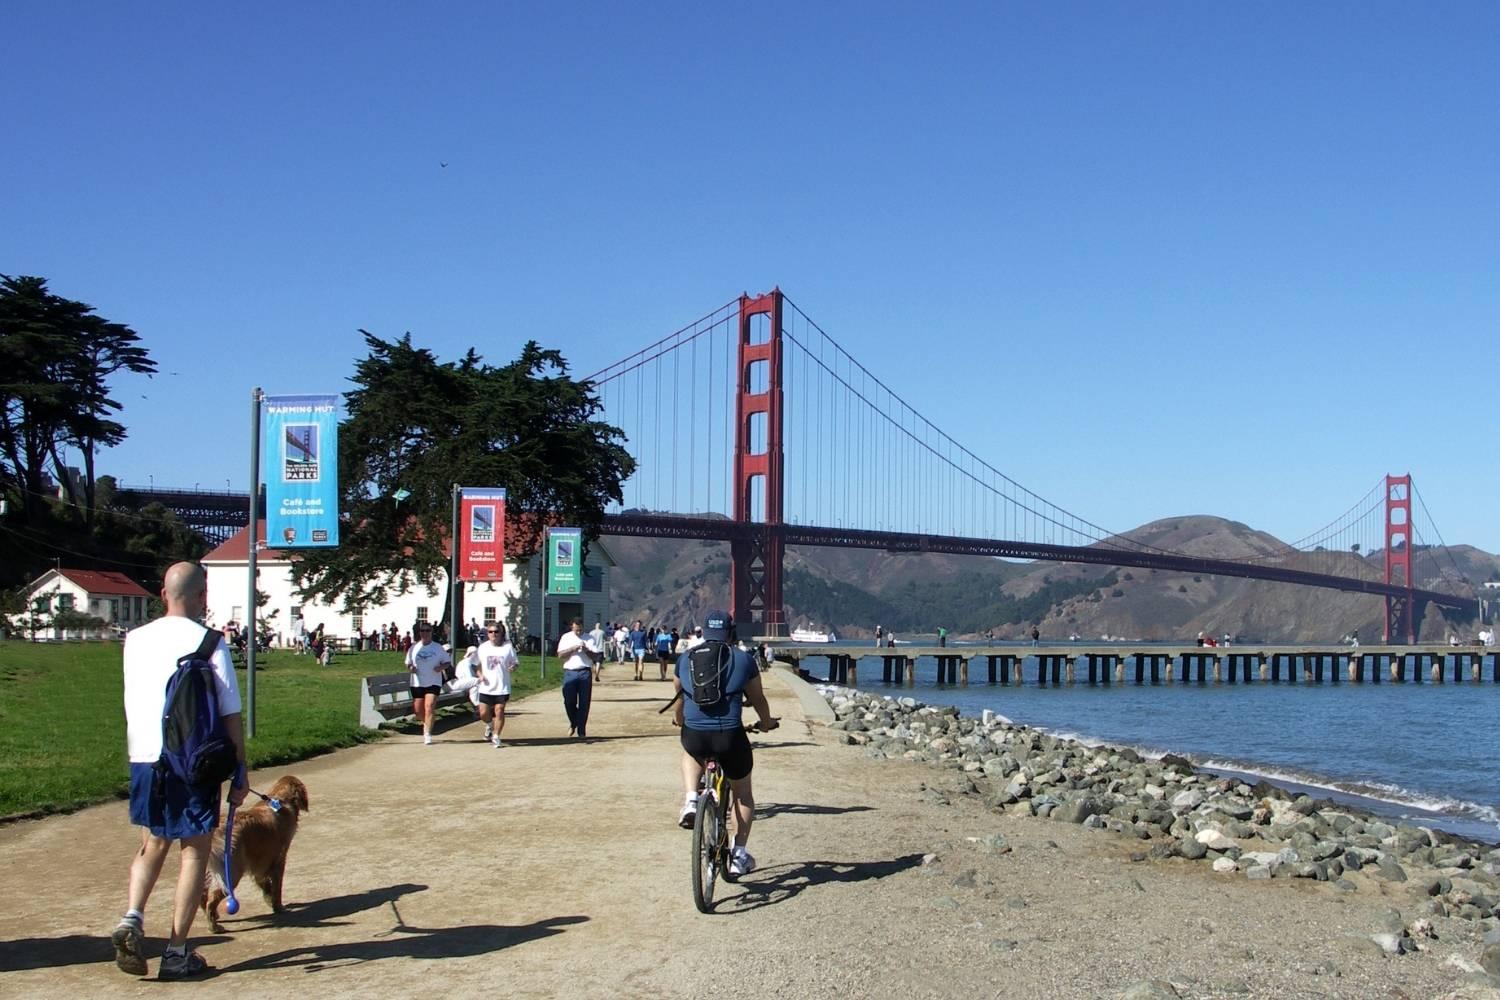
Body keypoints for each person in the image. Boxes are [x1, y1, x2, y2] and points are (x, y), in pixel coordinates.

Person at [111, 561, 247, 980]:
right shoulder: (210, 642)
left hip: (146, 758)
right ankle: (175, 951)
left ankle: (132, 917)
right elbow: (231, 715)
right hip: (193, 760)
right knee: (195, 850)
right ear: (201, 595)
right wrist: (240, 772)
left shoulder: (134, 639)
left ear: (162, 592)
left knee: (153, 841)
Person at [673, 610, 778, 877]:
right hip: (730, 736)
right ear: (731, 632)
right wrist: (766, 723)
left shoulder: (685, 659)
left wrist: (679, 721)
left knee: (690, 750)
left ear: (704, 632)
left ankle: (691, 800)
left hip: (695, 734)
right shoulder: (743, 659)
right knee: (742, 794)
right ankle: (739, 855)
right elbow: (757, 699)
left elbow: (679, 699)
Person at [405, 622, 451, 745]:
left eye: (427, 631)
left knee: (429, 706)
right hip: (417, 682)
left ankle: (427, 734)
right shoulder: (414, 648)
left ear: (431, 632)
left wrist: (440, 668)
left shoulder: (437, 648)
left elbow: (447, 662)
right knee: (418, 710)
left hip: (433, 682)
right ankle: (427, 723)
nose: (425, 633)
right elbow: (408, 662)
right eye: (422, 631)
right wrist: (411, 668)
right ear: (419, 633)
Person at [473, 624, 518, 747]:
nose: (493, 634)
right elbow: (476, 664)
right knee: (483, 713)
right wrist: (480, 675)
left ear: (501, 633)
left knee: (499, 710)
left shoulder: (508, 648)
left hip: (502, 686)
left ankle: (496, 736)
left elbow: (515, 662)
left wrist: (513, 667)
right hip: (486, 686)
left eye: (496, 632)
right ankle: (489, 725)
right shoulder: (483, 648)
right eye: (490, 632)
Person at [557, 618, 599, 738]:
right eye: (576, 630)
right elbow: (560, 655)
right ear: (572, 627)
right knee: (569, 701)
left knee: (584, 702)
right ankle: (574, 721)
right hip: (570, 671)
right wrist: (573, 649)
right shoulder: (566, 637)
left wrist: (586, 650)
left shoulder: (590, 638)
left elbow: (596, 656)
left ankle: (581, 729)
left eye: (580, 630)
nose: (579, 632)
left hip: (585, 671)